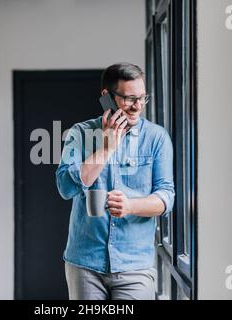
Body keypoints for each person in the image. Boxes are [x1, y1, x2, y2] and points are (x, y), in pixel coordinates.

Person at [55, 62, 175, 300]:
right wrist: (106, 148)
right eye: (130, 99)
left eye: (142, 98)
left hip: (135, 267)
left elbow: (166, 197)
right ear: (107, 97)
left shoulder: (157, 138)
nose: (138, 106)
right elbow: (65, 187)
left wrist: (130, 206)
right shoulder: (79, 134)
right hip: (85, 264)